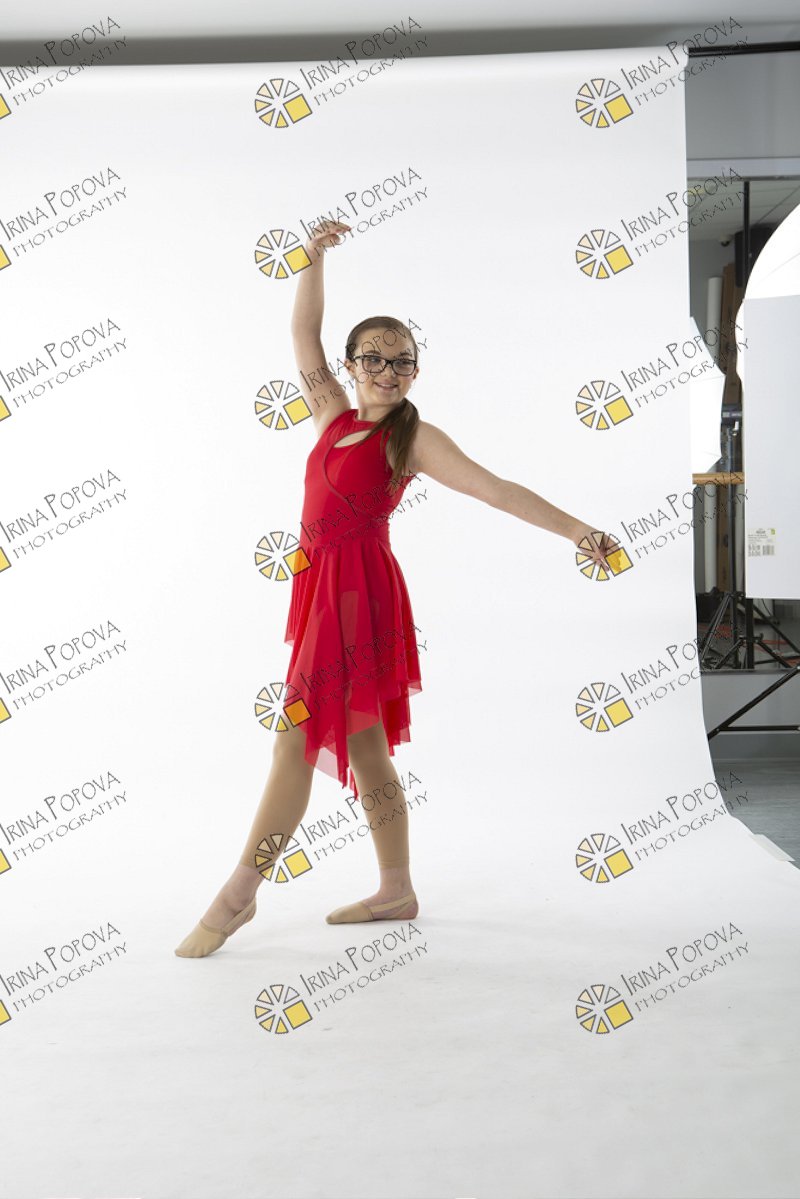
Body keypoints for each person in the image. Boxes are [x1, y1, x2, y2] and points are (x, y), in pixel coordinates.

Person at [175, 219, 616, 958]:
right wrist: (312, 259)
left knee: (294, 739)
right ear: (351, 366)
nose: (388, 370)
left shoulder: (411, 438)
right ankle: (396, 890)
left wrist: (578, 531)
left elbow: (497, 490)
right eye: (374, 358)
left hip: (360, 598)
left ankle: (237, 897)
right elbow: (303, 332)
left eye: (402, 360)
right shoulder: (331, 416)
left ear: (415, 371)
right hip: (325, 591)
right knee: (366, 747)